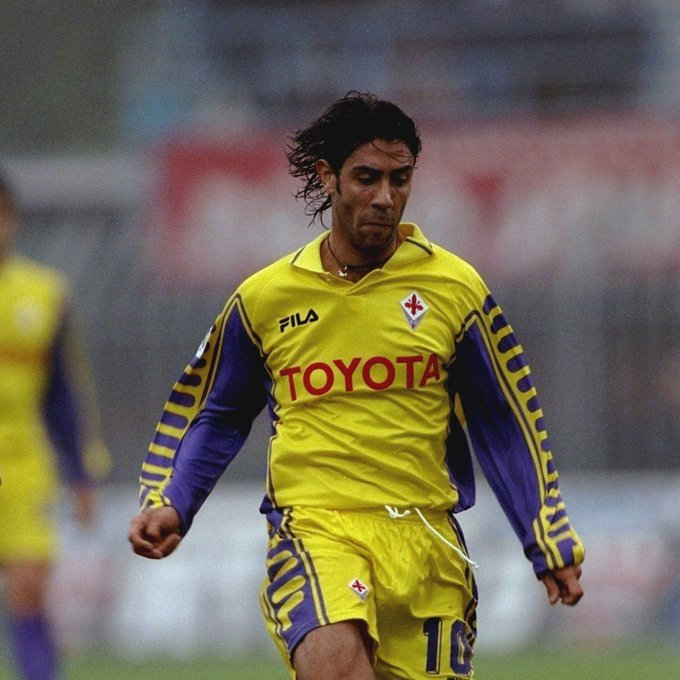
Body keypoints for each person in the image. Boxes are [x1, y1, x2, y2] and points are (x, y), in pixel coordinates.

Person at [128, 92, 584, 679]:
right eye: (367, 178)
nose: (385, 197)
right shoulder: (266, 298)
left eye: (400, 179)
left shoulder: (455, 288)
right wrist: (174, 500)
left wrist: (543, 535)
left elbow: (506, 421)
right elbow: (216, 412)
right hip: (317, 530)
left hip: (427, 543)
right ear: (329, 177)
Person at [0, 169, 109, 680]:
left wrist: (81, 474)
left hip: (23, 460)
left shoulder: (44, 293)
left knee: (29, 585)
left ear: (13, 220)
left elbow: (62, 393)